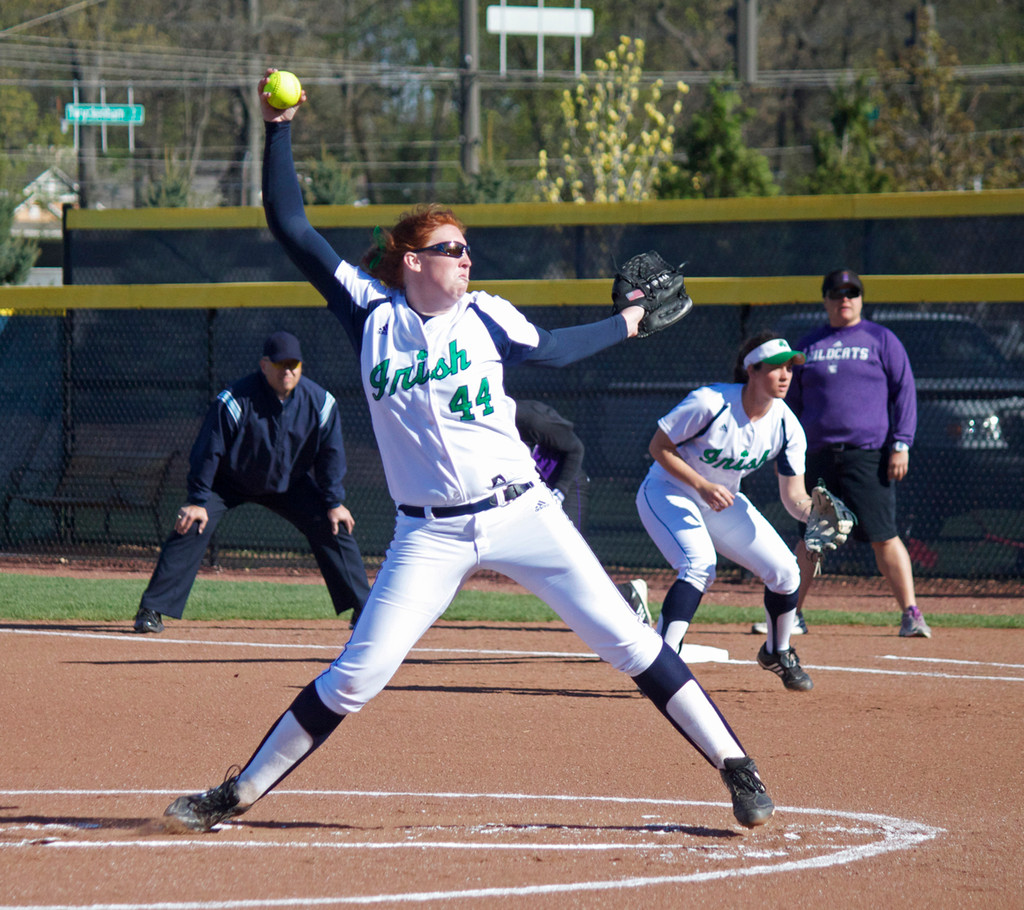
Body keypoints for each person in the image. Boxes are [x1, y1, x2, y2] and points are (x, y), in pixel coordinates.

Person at [160, 70, 776, 833]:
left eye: (467, 248)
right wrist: (279, 126)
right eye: (451, 248)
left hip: (523, 513)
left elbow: (551, 350)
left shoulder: (486, 317)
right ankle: (237, 794)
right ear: (413, 259)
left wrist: (631, 323)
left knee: (628, 641)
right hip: (430, 533)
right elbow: (291, 227)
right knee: (358, 675)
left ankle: (738, 768)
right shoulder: (370, 313)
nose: (466, 257)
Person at [132, 330, 371, 634]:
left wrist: (334, 501)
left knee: (333, 522)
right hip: (229, 480)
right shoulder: (234, 400)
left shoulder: (321, 402)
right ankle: (152, 609)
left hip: (289, 482)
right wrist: (197, 499)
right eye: (280, 363)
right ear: (264, 365)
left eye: (293, 364)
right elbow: (208, 451)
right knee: (191, 523)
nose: (287, 370)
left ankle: (364, 609)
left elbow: (331, 455)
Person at [636, 331, 815, 691]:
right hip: (667, 490)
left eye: (790, 369)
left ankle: (777, 651)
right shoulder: (710, 402)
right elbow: (658, 447)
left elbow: (794, 495)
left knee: (785, 571)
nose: (784, 375)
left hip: (721, 500)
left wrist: (815, 518)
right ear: (752, 369)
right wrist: (701, 485)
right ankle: (662, 665)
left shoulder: (786, 424)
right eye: (776, 367)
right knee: (699, 564)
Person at [786, 269, 932, 639]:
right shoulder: (808, 346)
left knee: (884, 535)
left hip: (868, 455)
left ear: (862, 299)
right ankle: (791, 615)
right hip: (817, 457)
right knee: (810, 537)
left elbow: (905, 392)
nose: (844, 299)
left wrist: (902, 443)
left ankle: (911, 614)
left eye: (852, 293)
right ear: (825, 300)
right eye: (837, 293)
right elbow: (791, 404)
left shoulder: (881, 339)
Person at [514, 398, 651, 624]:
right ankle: (625, 596)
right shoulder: (476, 427)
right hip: (534, 489)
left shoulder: (529, 417)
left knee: (572, 560)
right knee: (549, 563)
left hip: (567, 485)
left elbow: (576, 448)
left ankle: (627, 600)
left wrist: (559, 491)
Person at [513, 399, 590, 534]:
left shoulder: (531, 419)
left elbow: (576, 448)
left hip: (565, 482)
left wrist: (560, 491)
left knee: (569, 541)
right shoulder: (480, 430)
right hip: (530, 487)